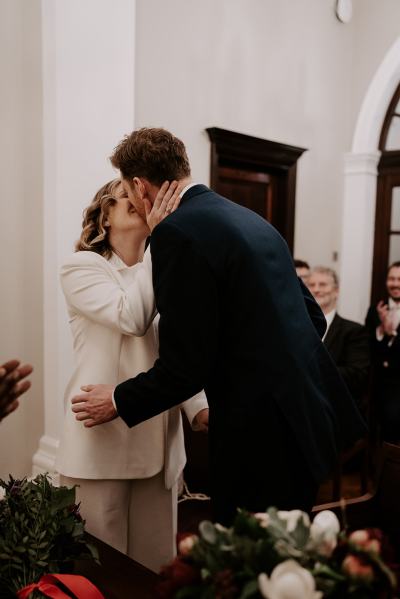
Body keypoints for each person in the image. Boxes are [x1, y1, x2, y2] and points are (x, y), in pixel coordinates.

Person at [71, 127, 366, 525]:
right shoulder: (250, 219)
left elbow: (185, 367)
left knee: (248, 565)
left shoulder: (175, 233)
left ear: (141, 186)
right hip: (307, 420)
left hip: (258, 436)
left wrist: (119, 400)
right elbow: (312, 318)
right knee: (289, 557)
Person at [56, 178, 208, 572]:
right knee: (99, 570)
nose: (139, 202)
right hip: (101, 437)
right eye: (126, 196)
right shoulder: (82, 268)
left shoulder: (163, 268)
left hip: (157, 438)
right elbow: (133, 317)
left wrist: (198, 408)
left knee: (155, 567)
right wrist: (162, 242)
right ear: (103, 215)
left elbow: (175, 349)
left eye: (142, 196)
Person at [308, 267, 370, 407]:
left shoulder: (354, 331)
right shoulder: (297, 328)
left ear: (336, 291)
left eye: (323, 284)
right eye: (311, 285)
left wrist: (309, 371)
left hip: (338, 409)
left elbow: (357, 375)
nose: (317, 289)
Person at [365, 261, 400, 442]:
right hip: (378, 379)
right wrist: (380, 331)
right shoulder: (375, 309)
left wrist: (391, 333)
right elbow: (367, 346)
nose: (395, 283)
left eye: (399, 279)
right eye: (391, 279)